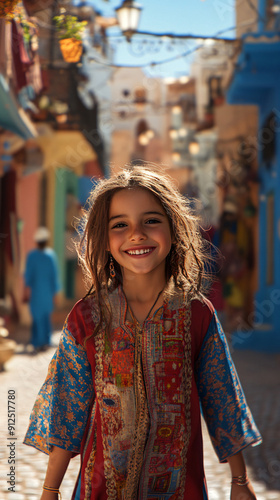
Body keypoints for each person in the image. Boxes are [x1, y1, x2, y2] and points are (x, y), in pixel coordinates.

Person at [24, 167, 261, 500]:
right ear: (105, 241)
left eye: (151, 220)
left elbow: (222, 399)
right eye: (120, 225)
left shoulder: (196, 314)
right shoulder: (87, 318)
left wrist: (239, 481)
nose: (136, 234)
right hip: (100, 490)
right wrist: (50, 490)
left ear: (174, 230)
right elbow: (66, 410)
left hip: (180, 489)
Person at [24, 226, 60, 352]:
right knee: (45, 317)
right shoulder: (50, 256)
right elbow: (54, 276)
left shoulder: (32, 256)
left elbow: (28, 276)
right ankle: (45, 340)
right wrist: (55, 294)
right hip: (47, 294)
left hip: (36, 293)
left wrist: (26, 292)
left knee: (37, 318)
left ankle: (37, 341)